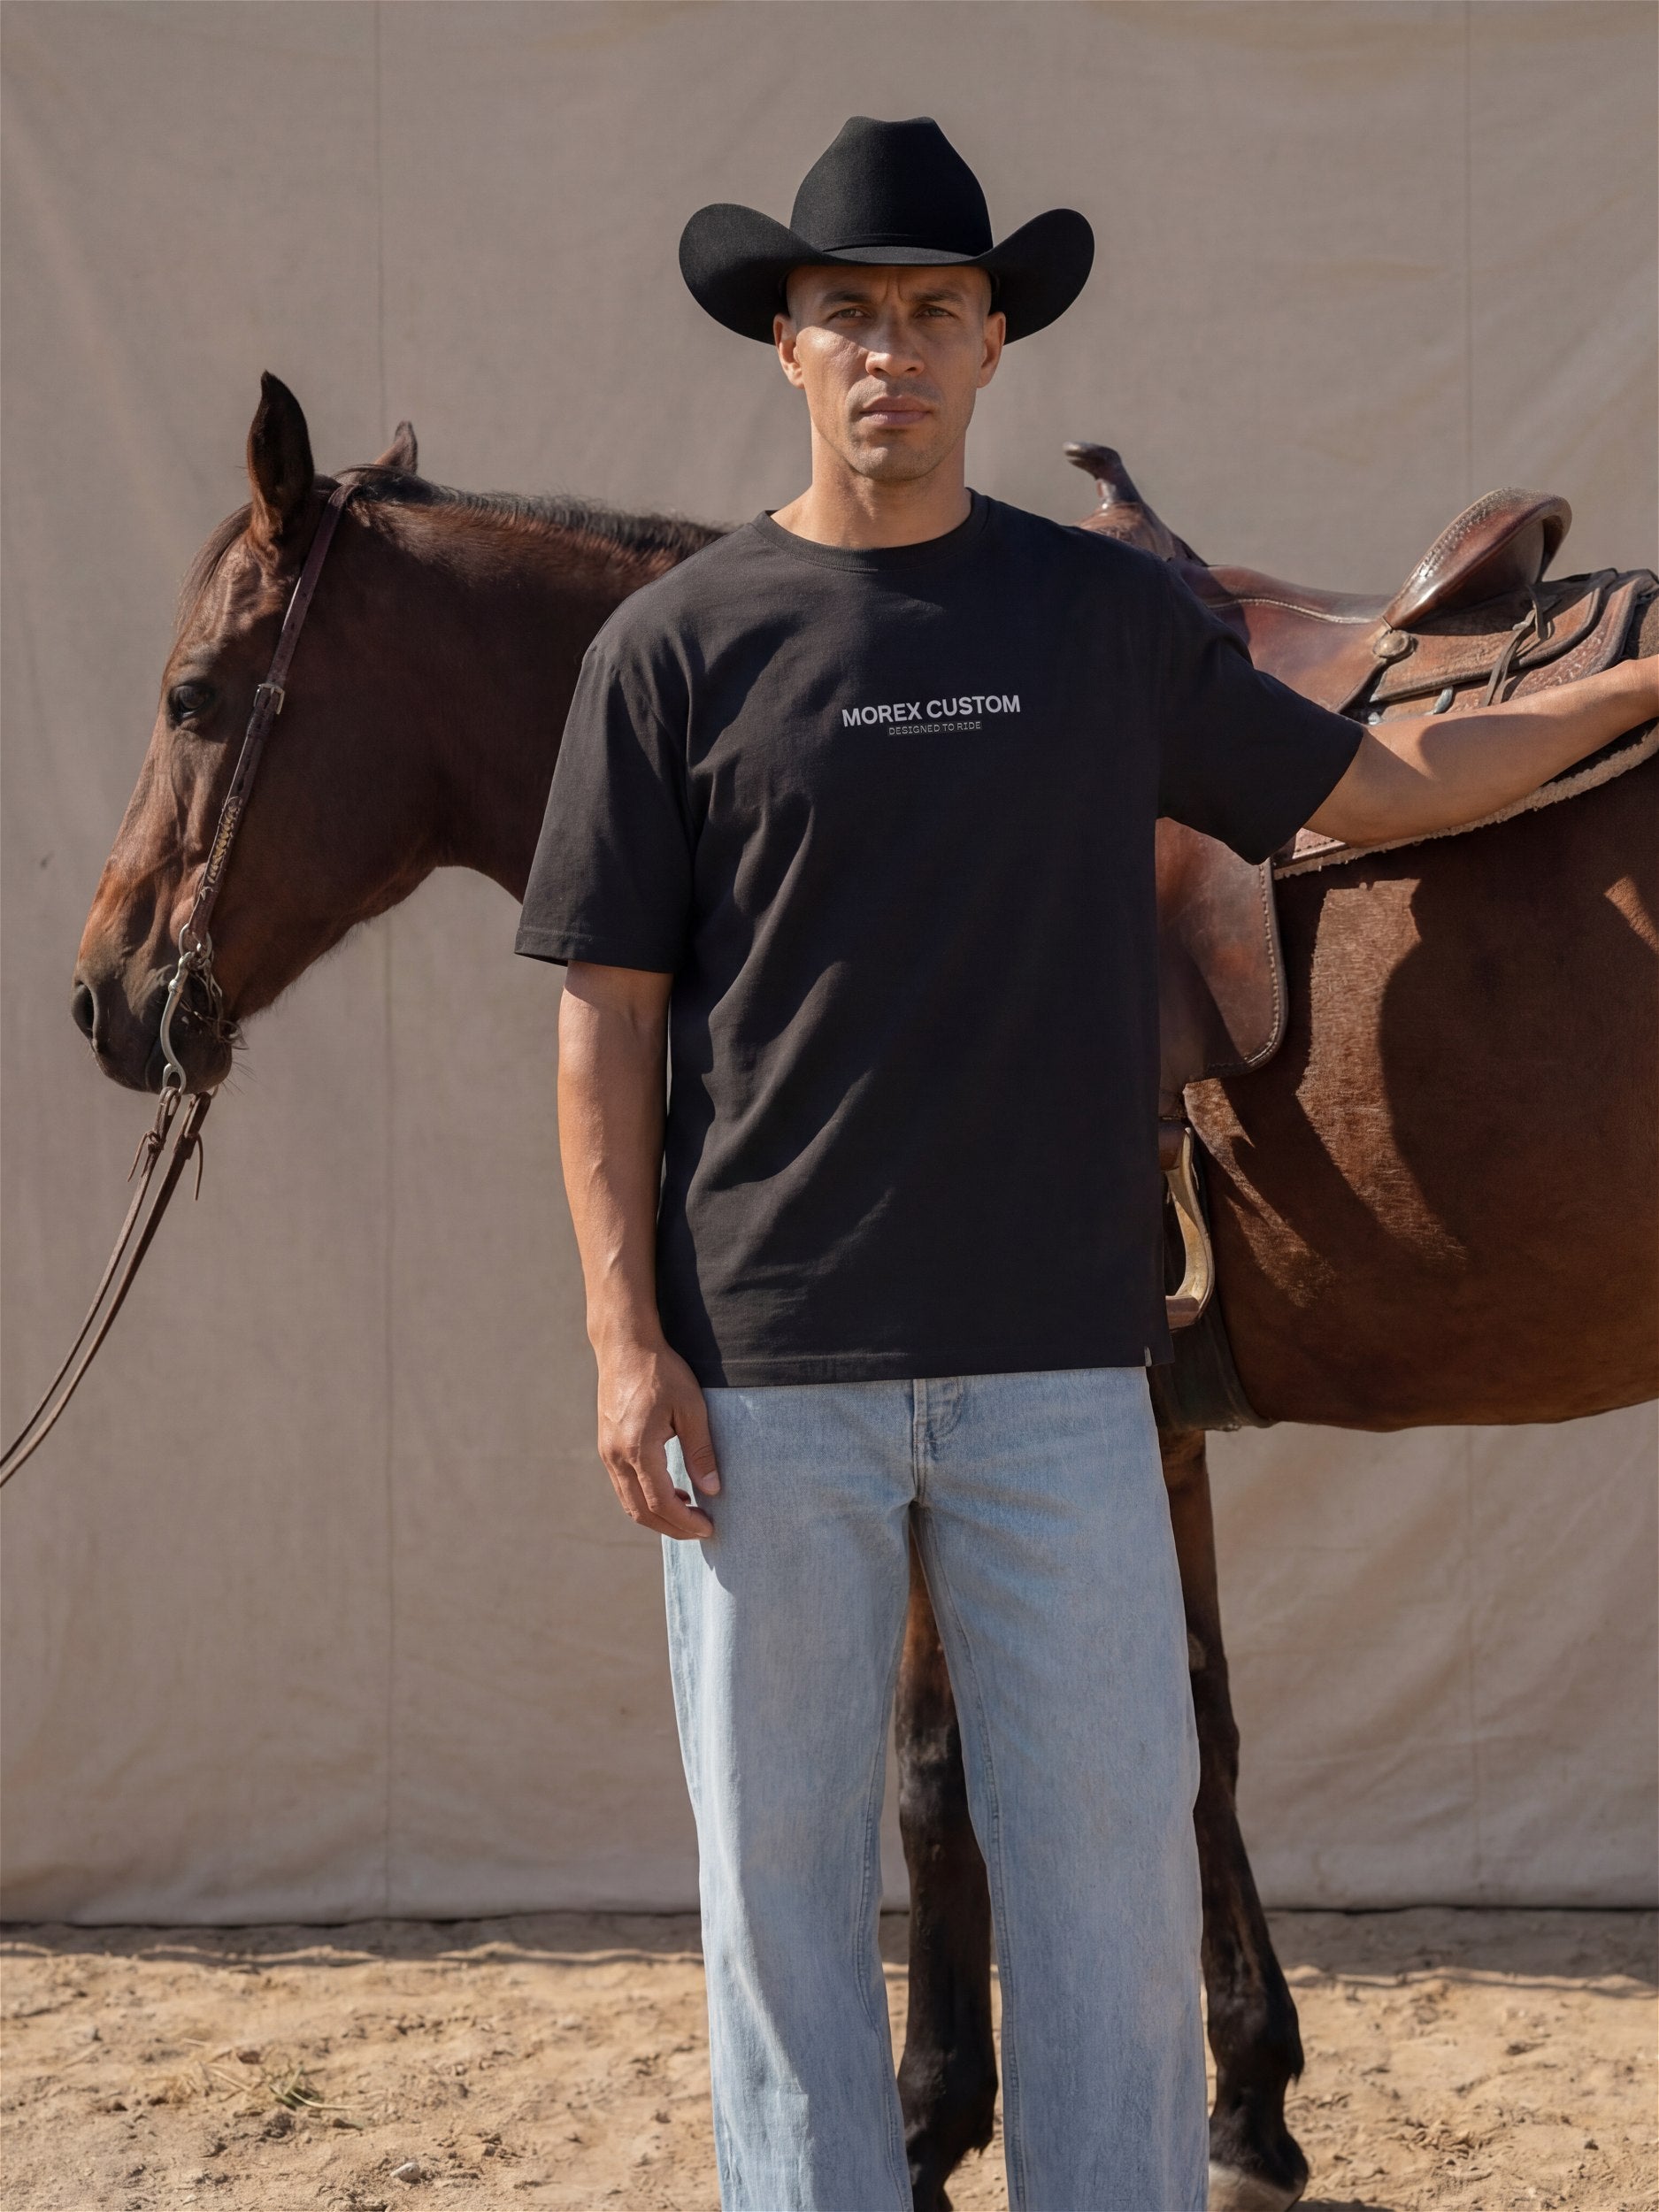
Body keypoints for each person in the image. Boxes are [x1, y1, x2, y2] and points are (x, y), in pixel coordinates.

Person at [515, 116, 1659, 2212]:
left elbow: (1377, 780)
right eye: (847, 312)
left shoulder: (1091, 619)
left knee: (1112, 1899)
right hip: (765, 1377)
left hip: (1061, 1377)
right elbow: (602, 1007)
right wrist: (616, 1336)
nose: (891, 351)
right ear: (783, 342)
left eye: (934, 313)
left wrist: (1647, 680)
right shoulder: (671, 652)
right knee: (775, 1918)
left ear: (991, 347)